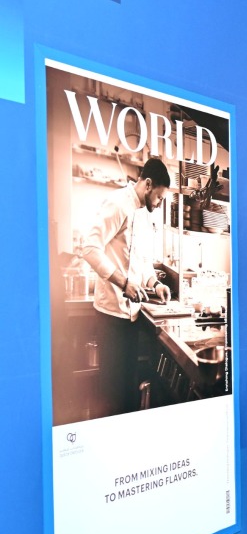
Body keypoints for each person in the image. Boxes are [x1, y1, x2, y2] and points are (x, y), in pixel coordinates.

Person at [80, 157, 172, 418]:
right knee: (111, 393)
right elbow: (90, 248)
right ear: (148, 184)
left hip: (132, 316)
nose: (159, 203)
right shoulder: (117, 203)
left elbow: (141, 261)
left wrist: (155, 283)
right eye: (159, 197)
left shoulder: (142, 214)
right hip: (111, 315)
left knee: (126, 393)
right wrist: (123, 283)